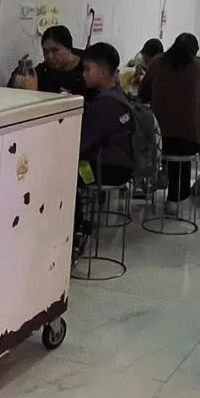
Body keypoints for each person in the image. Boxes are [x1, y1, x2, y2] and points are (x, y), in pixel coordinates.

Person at [139, 32, 200, 209]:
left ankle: (163, 181)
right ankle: (176, 199)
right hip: (189, 140)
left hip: (157, 138)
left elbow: (143, 93)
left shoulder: (157, 62)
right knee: (191, 141)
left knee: (171, 144)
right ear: (194, 51)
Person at [73, 42, 135, 259]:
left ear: (102, 71)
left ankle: (77, 229)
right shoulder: (118, 95)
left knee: (63, 174)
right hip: (121, 166)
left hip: (105, 170)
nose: (83, 74)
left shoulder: (104, 105)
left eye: (87, 69)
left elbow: (82, 143)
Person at [34, 25, 86, 95]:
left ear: (68, 49)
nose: (49, 56)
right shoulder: (44, 71)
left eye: (55, 50)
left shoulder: (89, 69)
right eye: (45, 51)